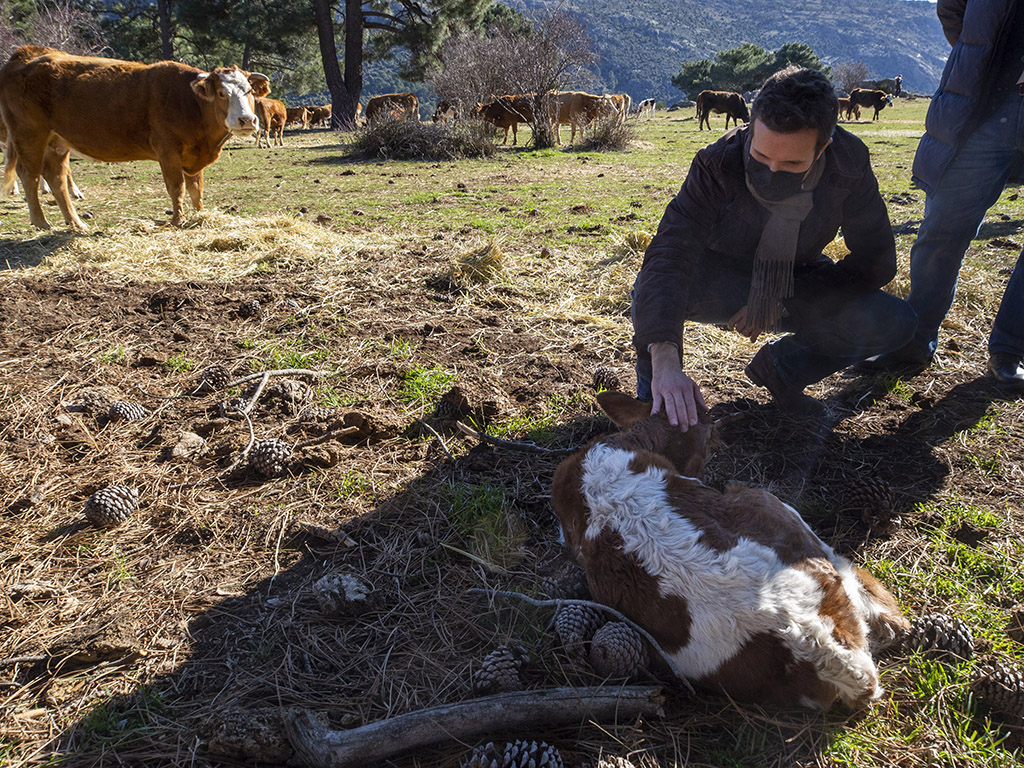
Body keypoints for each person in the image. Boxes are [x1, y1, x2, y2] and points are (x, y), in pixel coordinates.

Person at [631, 66, 917, 430]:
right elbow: (670, 255)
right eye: (761, 157)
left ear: (823, 147)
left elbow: (877, 261)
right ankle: (655, 404)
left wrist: (777, 298)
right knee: (648, 292)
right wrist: (666, 361)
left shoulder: (849, 163)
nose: (771, 173)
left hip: (799, 281)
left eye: (792, 164)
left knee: (895, 320)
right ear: (750, 130)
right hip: (718, 280)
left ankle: (782, 368)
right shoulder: (716, 162)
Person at [867, 0, 1024, 392]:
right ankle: (912, 341)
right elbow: (953, 9)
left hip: (990, 100)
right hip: (987, 105)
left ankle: (1011, 350)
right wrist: (983, 59)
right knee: (943, 227)